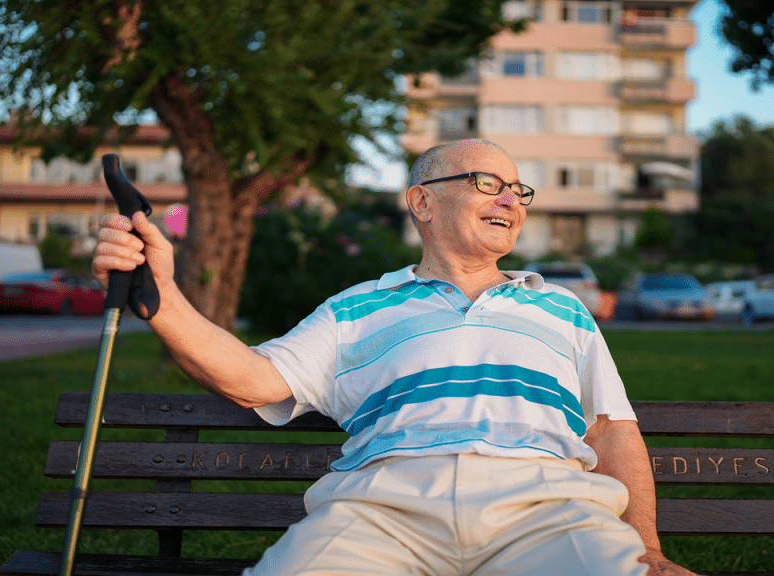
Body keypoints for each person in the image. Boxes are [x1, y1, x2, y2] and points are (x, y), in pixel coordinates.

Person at [93, 139, 695, 576]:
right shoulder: (356, 308)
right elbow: (254, 379)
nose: (511, 199)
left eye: (519, 190)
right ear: (423, 203)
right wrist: (164, 300)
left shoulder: (563, 309)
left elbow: (613, 430)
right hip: (383, 510)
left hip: (548, 510)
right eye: (489, 182)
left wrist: (647, 547)